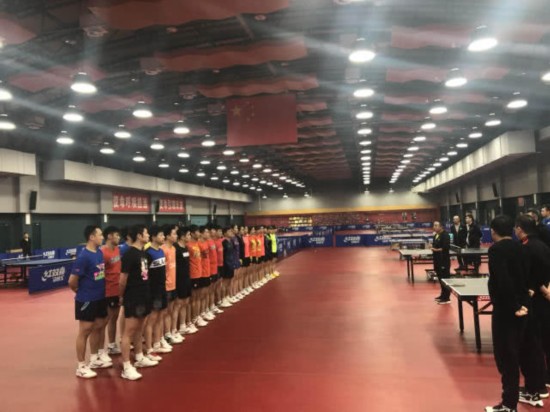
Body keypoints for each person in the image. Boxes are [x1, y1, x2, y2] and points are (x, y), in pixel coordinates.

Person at [485, 215, 529, 412]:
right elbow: (526, 278)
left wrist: (513, 306)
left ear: (493, 231)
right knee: (516, 353)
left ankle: (509, 404)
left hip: (506, 310)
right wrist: (524, 304)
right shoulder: (521, 247)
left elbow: (503, 280)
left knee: (505, 356)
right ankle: (510, 401)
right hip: (523, 308)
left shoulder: (496, 250)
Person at [514, 215, 548, 406]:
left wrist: (538, 288)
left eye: (515, 228)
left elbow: (532, 275)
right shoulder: (542, 245)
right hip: (542, 302)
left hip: (535, 303)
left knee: (533, 345)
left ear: (520, 229)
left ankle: (537, 387)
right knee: (542, 343)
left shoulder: (527, 248)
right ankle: (543, 382)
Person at [68, 225, 110, 379]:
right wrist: (81, 293)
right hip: (86, 299)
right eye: (100, 235)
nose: (102, 237)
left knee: (98, 326)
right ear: (92, 237)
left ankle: (94, 359)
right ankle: (81, 366)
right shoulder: (83, 257)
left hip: (100, 297)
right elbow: (72, 281)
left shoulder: (99, 253)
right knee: (85, 331)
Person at [119, 224, 157, 381]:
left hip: (144, 295)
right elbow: (123, 279)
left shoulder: (144, 254)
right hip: (133, 296)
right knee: (128, 331)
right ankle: (126, 366)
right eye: (146, 233)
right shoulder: (129, 255)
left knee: (139, 328)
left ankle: (139, 356)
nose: (148, 235)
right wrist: (121, 296)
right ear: (139, 236)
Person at [145, 226, 171, 358]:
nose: (163, 237)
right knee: (152, 319)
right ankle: (149, 348)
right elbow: (145, 274)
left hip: (162, 288)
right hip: (153, 290)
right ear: (153, 237)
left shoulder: (161, 251)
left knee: (161, 315)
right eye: (161, 235)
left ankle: (157, 342)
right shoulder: (148, 253)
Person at [101, 226, 122, 356]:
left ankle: (112, 344)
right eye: (116, 235)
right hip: (108, 290)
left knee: (114, 318)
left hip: (117, 289)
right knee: (105, 320)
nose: (119, 238)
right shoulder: (103, 252)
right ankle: (101, 349)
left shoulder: (118, 249)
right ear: (109, 236)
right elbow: (100, 273)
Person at [161, 224, 184, 345]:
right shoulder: (162, 250)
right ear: (167, 236)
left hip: (174, 284)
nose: (176, 236)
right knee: (164, 313)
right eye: (174, 234)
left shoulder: (173, 249)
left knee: (172, 309)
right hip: (165, 285)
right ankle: (164, 336)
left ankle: (171, 331)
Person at [174, 227, 196, 334]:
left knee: (186, 302)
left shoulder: (186, 248)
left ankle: (183, 325)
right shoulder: (176, 248)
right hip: (179, 280)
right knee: (178, 304)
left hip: (187, 278)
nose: (190, 237)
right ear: (182, 237)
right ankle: (174, 329)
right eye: (188, 235)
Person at [431, 221, 451, 305]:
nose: (434, 227)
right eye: (434, 225)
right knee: (440, 279)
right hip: (437, 261)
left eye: (436, 225)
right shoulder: (436, 235)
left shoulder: (445, 235)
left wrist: (436, 250)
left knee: (445, 279)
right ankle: (442, 295)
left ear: (441, 227)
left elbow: (446, 247)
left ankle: (447, 298)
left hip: (444, 261)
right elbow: (435, 245)